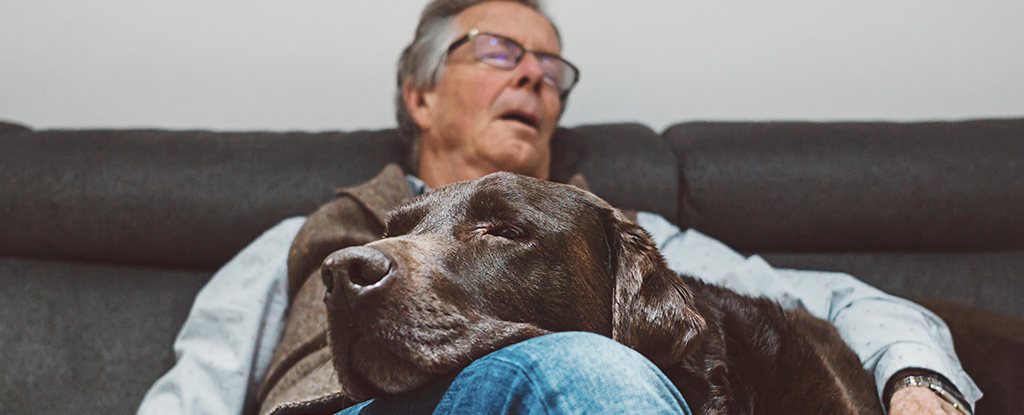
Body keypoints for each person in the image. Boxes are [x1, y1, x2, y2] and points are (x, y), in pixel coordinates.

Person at [137, 1, 981, 414]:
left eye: (551, 67)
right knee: (593, 373)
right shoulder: (304, 238)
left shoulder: (622, 231)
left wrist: (915, 381)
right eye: (500, 52)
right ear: (419, 95)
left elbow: (834, 300)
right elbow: (193, 395)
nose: (535, 76)